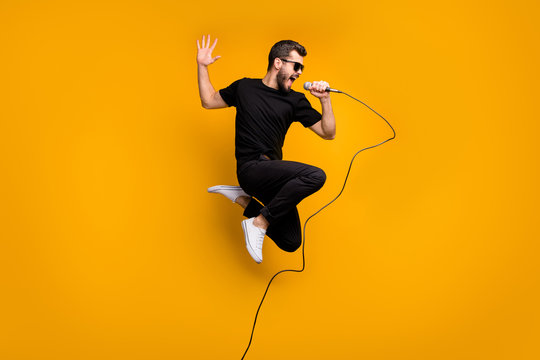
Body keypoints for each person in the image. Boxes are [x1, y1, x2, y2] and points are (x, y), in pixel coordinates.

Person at [197, 34, 336, 264]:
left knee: (291, 242)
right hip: (251, 168)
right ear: (278, 63)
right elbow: (209, 101)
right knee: (316, 175)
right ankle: (259, 223)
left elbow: (327, 132)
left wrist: (325, 100)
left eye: (302, 68)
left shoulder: (296, 100)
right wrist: (202, 66)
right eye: (296, 66)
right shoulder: (244, 88)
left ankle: (243, 200)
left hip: (273, 174)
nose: (300, 72)